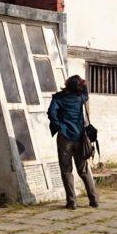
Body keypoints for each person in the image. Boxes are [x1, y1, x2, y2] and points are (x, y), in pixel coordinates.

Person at [47, 74, 100, 210]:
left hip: (64, 138)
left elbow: (51, 112)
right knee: (83, 170)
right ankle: (94, 200)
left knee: (66, 170)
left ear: (67, 85)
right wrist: (83, 83)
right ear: (79, 87)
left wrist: (59, 125)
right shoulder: (80, 98)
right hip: (80, 137)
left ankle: (72, 202)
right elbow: (85, 91)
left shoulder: (59, 98)